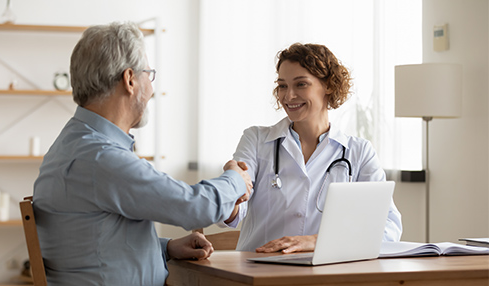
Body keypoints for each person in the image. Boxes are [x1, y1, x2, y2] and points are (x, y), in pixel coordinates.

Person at [32, 22, 252, 286]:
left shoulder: (70, 145)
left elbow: (92, 243)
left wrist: (166, 247)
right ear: (130, 80)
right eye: (149, 73)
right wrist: (236, 178)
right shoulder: (101, 158)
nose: (151, 88)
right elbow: (196, 207)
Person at [224, 43, 402, 253]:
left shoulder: (359, 152)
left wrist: (318, 241)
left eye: (301, 84)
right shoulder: (255, 139)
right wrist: (231, 192)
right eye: (282, 86)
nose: (288, 96)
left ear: (329, 85)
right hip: (258, 272)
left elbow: (388, 226)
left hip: (325, 274)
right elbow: (233, 213)